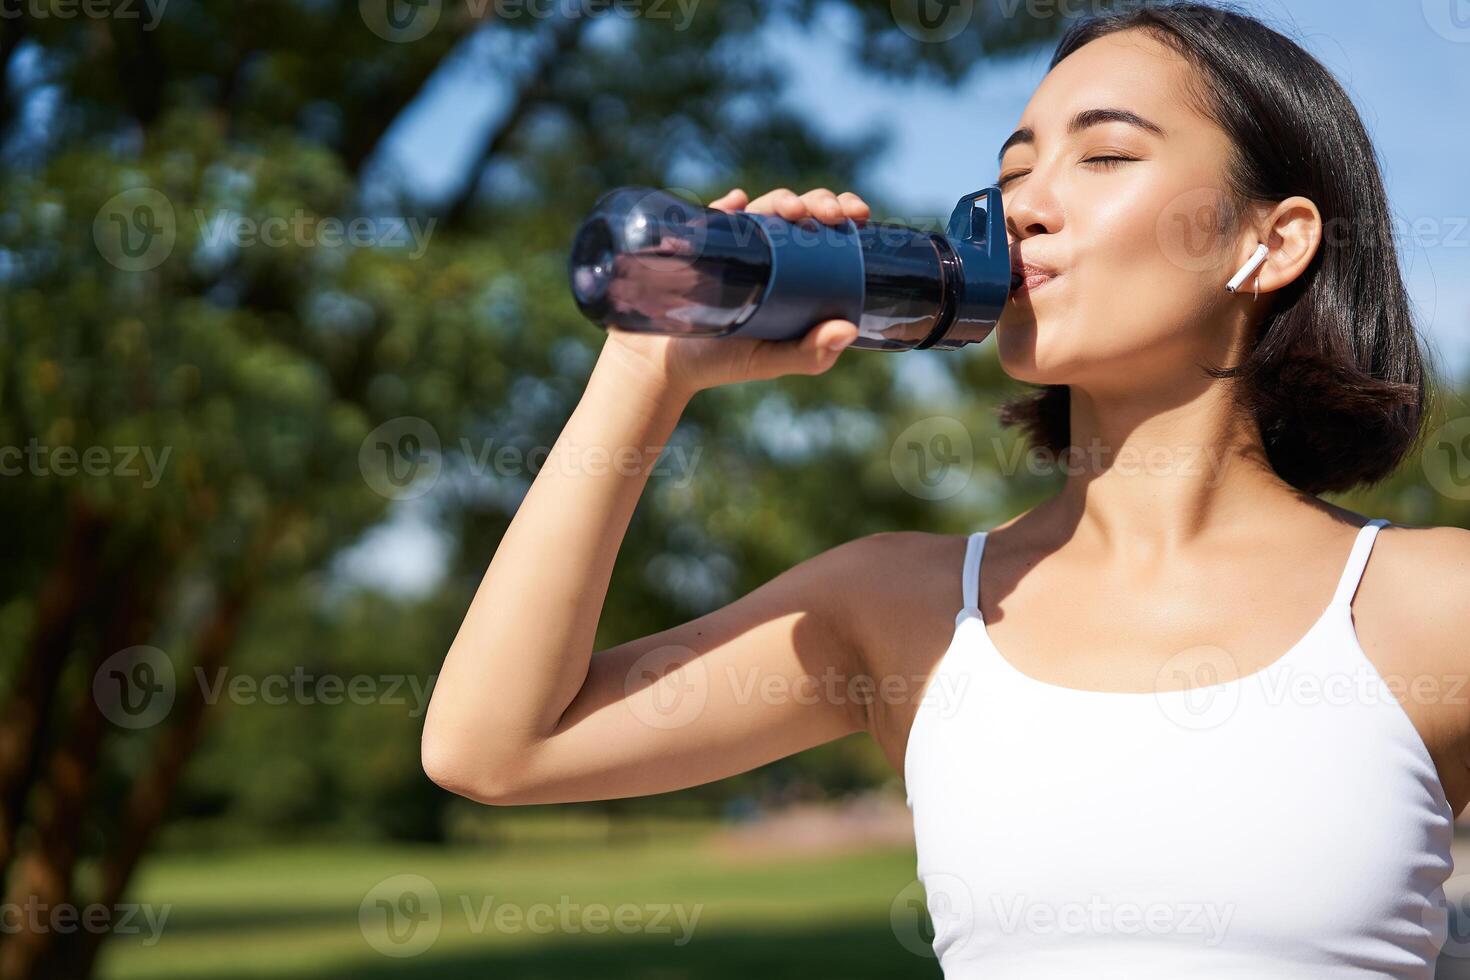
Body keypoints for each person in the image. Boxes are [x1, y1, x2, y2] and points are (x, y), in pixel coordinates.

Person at [422, 3, 1469, 974]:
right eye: (1013, 171)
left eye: (1104, 155)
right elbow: (495, 746)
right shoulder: (903, 606)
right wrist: (650, 371)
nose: (1023, 209)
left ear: (1270, 240)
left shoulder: (1430, 606)